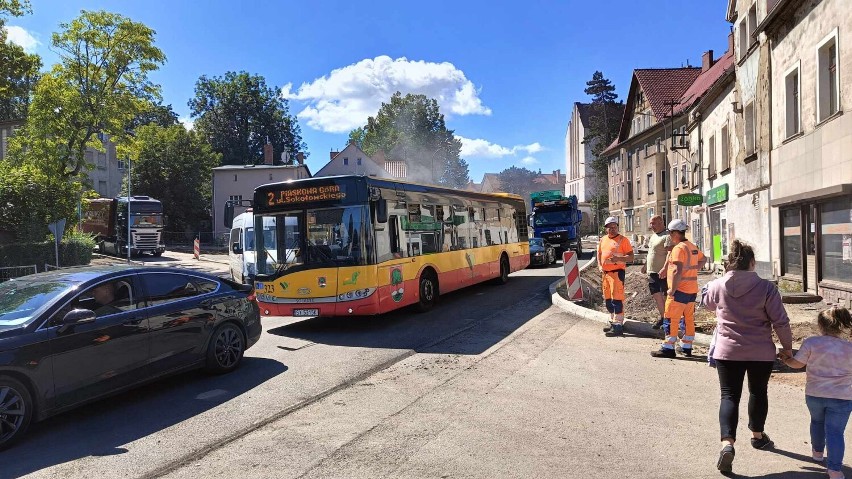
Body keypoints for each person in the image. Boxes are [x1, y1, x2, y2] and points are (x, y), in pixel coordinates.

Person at [703, 240, 793, 474]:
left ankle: (727, 444)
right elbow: (780, 321)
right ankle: (757, 436)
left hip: (727, 351)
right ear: (752, 262)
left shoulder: (718, 285)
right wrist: (787, 348)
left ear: (729, 263)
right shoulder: (766, 288)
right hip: (760, 351)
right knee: (758, 391)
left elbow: (706, 303)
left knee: (729, 395)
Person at [780, 307, 852, 479]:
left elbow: (798, 365)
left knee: (817, 422)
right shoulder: (849, 348)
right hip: (842, 397)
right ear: (843, 325)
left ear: (820, 325)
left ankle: (817, 453)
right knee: (835, 432)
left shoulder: (811, 342)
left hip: (814, 394)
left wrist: (786, 359)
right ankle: (834, 470)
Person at [651, 219, 706, 358]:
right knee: (688, 318)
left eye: (670, 233)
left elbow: (677, 271)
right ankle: (686, 346)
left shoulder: (678, 248)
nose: (669, 235)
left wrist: (672, 290)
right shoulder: (691, 246)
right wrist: (694, 270)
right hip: (692, 290)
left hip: (679, 290)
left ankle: (668, 347)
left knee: (670, 318)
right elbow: (703, 259)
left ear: (675, 233)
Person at [597, 216, 634, 336]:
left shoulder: (623, 240)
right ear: (606, 228)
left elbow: (631, 257)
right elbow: (599, 254)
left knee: (616, 299)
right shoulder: (603, 240)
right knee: (608, 300)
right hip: (605, 274)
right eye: (610, 227)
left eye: (615, 227)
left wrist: (618, 258)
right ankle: (613, 322)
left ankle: (618, 325)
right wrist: (599, 266)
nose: (613, 229)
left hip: (617, 273)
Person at [642, 215, 669, 329]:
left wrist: (665, 268)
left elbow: (669, 253)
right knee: (656, 295)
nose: (651, 226)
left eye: (654, 223)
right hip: (652, 272)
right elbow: (651, 253)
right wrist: (645, 266)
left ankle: (669, 319)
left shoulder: (667, 235)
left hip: (662, 272)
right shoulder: (653, 236)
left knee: (665, 296)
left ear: (661, 222)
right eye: (651, 224)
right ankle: (663, 318)